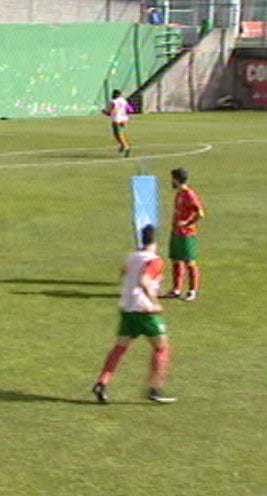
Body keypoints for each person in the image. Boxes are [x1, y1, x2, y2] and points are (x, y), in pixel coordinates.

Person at [92, 224, 177, 404]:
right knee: (162, 348)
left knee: (119, 348)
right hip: (145, 311)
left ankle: (102, 382)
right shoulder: (155, 260)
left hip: (127, 309)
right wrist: (155, 302)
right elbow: (144, 280)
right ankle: (155, 389)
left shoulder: (132, 256)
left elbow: (123, 274)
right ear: (156, 241)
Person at [161, 168, 206, 302]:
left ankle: (192, 291)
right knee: (176, 260)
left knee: (190, 262)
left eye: (172, 178)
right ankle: (176, 289)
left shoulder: (189, 194)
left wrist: (186, 223)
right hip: (176, 232)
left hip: (187, 234)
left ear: (176, 179)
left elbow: (200, 214)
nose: (171, 181)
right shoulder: (179, 194)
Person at [103, 89, 133, 157]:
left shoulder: (113, 102)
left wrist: (105, 111)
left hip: (116, 119)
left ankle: (126, 146)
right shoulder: (123, 100)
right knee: (121, 134)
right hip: (124, 119)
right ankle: (123, 145)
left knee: (117, 135)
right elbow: (130, 109)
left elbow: (110, 111)